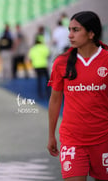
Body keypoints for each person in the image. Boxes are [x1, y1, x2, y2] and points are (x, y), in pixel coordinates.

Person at [47, 11, 108, 181]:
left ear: (91, 33)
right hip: (72, 139)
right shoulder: (61, 62)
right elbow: (55, 100)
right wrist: (51, 134)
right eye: (69, 29)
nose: (70, 35)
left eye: (76, 30)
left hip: (104, 138)